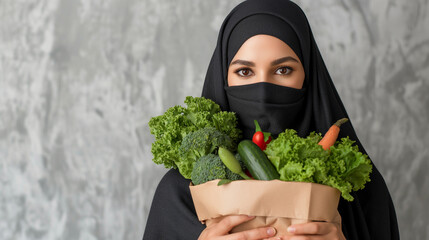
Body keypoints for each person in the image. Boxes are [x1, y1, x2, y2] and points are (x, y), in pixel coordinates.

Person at [143, 0, 400, 239]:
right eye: (244, 71)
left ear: (308, 79)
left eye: (283, 70)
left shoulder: (362, 189)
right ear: (224, 80)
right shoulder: (178, 195)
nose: (264, 91)